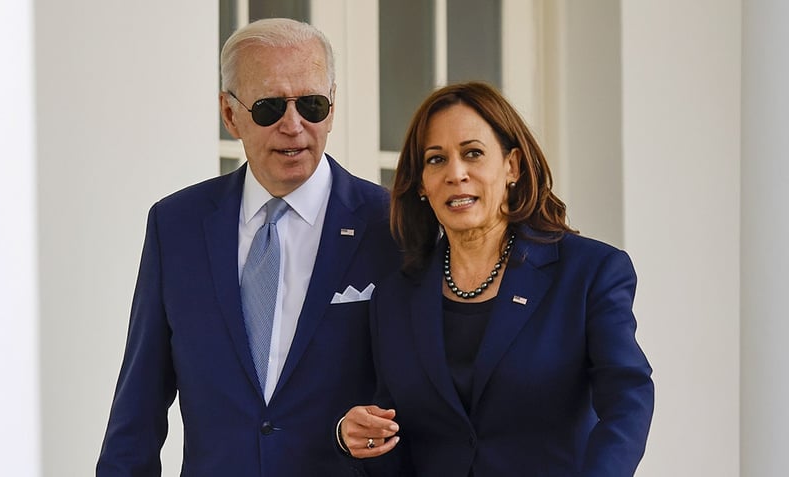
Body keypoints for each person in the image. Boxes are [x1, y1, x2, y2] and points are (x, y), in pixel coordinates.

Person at [96, 18, 400, 476]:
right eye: (269, 107)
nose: (294, 125)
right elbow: (137, 407)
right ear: (229, 113)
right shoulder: (176, 226)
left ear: (332, 108)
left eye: (313, 105)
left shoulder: (391, 225)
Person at [339, 81, 654, 476]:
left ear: (512, 166)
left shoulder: (590, 272)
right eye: (436, 160)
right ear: (422, 183)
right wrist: (356, 437)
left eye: (473, 154)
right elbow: (394, 437)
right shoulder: (394, 297)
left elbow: (628, 398)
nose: (456, 173)